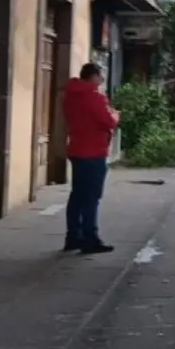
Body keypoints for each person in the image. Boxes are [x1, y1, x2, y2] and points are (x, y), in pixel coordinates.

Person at [62, 63, 120, 254]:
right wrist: (115, 114)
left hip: (77, 149)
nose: (102, 80)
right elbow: (108, 121)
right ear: (92, 76)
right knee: (91, 197)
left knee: (77, 195)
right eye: (100, 76)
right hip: (94, 151)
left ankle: (73, 236)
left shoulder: (70, 95)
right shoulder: (94, 97)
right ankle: (90, 238)